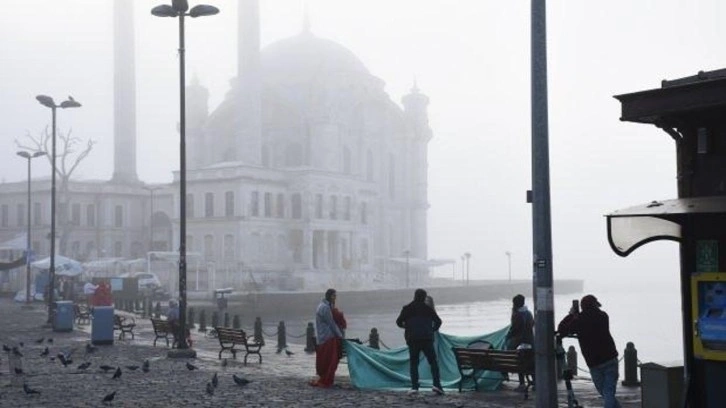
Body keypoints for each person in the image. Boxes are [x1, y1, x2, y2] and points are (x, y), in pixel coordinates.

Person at [557, 294, 621, 408]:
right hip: (610, 358)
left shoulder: (579, 321)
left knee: (605, 393)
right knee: (608, 393)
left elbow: (562, 329)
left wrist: (571, 315)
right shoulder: (603, 316)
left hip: (594, 363)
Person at [396, 288, 444, 395]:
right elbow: (438, 321)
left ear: (414, 296)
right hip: (427, 339)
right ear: (423, 297)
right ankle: (437, 385)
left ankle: (414, 387)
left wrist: (407, 327)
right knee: (433, 362)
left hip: (412, 339)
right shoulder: (428, 309)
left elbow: (398, 322)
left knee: (414, 363)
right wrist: (432, 330)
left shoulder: (407, 308)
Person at [311, 289, 344, 388]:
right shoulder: (325, 308)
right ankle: (327, 380)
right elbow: (331, 324)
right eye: (334, 296)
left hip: (323, 337)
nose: (335, 298)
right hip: (327, 338)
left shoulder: (323, 306)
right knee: (330, 361)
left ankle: (326, 379)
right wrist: (340, 336)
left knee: (327, 361)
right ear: (329, 296)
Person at [504, 294, 535, 390]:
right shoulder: (529, 313)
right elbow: (532, 325)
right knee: (530, 361)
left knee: (518, 361)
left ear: (515, 304)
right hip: (530, 342)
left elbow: (514, 329)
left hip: (519, 343)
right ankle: (535, 381)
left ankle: (522, 383)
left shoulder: (517, 314)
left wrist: (507, 336)